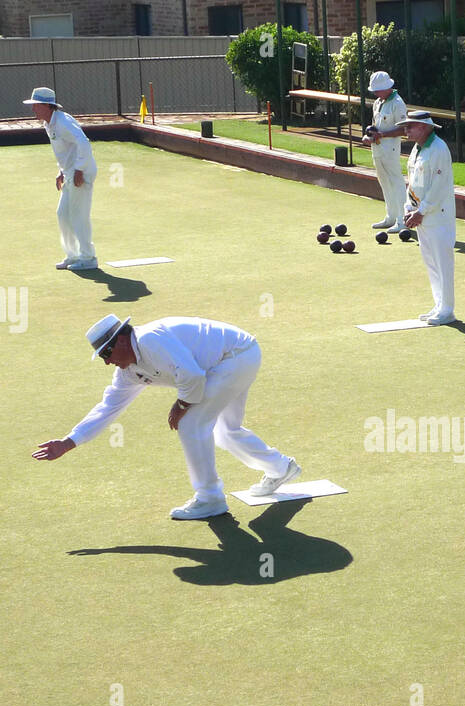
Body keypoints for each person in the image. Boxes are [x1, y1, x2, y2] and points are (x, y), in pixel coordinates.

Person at [32, 314, 302, 521]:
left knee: (191, 424)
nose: (106, 361)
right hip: (232, 359)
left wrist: (181, 405)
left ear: (122, 340)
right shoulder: (127, 371)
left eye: (106, 353)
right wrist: (69, 442)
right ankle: (280, 467)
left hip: (236, 355)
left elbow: (192, 376)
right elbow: (108, 407)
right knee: (226, 430)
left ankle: (210, 498)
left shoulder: (150, 340)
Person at [24, 87, 97, 271]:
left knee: (78, 215)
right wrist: (61, 171)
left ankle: (88, 258)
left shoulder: (63, 122)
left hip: (81, 172)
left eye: (36, 105)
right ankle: (73, 256)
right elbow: (65, 150)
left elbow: (83, 143)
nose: (33, 109)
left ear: (48, 106)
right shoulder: (49, 123)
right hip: (70, 171)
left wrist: (80, 169)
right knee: (63, 214)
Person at [402, 111, 457, 326]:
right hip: (421, 216)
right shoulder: (417, 149)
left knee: (443, 262)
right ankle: (439, 304)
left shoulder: (439, 149)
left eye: (410, 126)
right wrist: (409, 207)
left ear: (424, 127)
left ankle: (447, 310)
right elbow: (413, 181)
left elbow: (438, 186)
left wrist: (421, 211)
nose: (406, 130)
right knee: (431, 261)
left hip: (437, 216)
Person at [361, 71, 408, 233]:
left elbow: (404, 129)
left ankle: (403, 220)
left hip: (391, 149)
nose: (374, 93)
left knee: (396, 183)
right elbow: (375, 125)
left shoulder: (397, 103)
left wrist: (383, 135)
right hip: (378, 149)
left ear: (387, 87)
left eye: (377, 90)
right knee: (384, 182)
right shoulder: (378, 102)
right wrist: (369, 136)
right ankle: (391, 217)